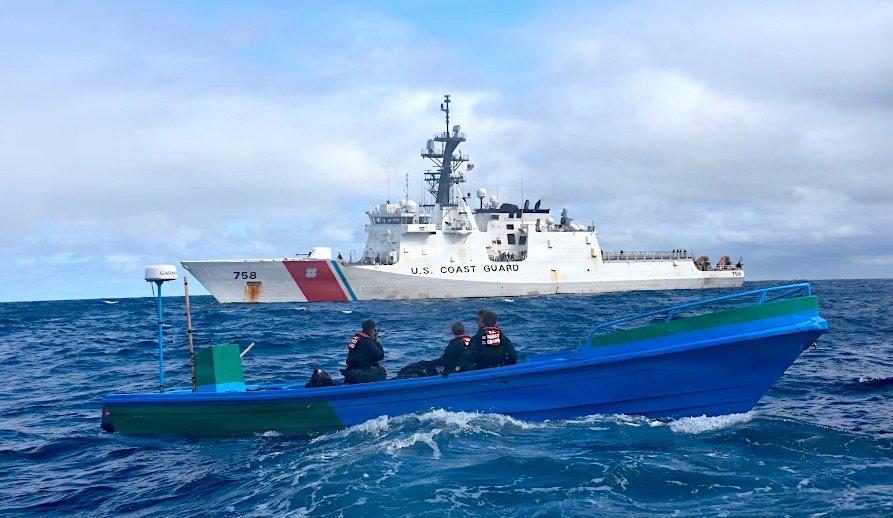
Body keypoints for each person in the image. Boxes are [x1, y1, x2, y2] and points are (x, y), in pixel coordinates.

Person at [341, 319, 386, 384]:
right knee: (382, 371)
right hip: (361, 375)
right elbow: (380, 355)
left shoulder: (356, 338)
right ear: (371, 331)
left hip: (350, 372)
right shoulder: (368, 342)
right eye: (374, 330)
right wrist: (377, 342)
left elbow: (363, 356)